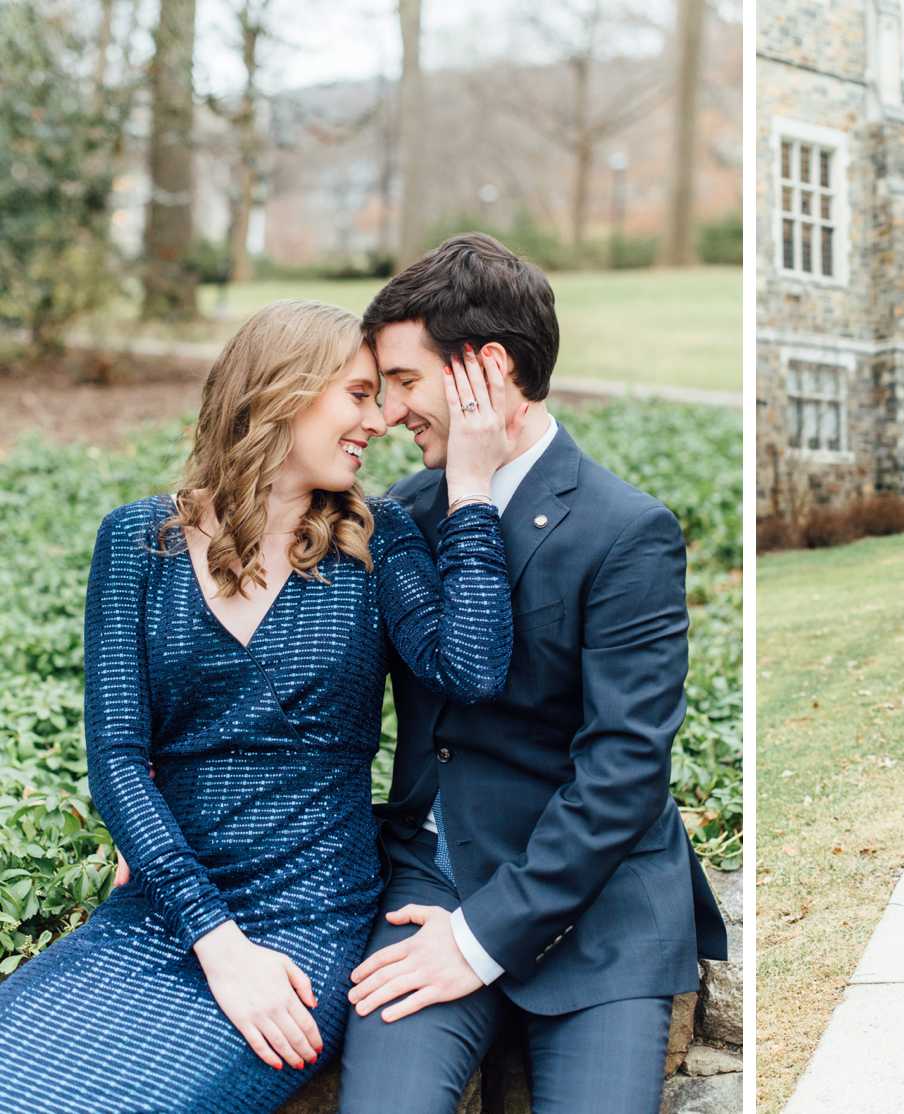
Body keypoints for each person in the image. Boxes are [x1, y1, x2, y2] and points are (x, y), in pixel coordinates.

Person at [0, 299, 518, 1112]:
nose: (379, 419)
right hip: (164, 916)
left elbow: (473, 668)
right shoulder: (138, 543)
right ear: (284, 392)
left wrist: (473, 490)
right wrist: (214, 939)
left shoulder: (376, 540)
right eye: (357, 394)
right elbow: (117, 761)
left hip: (304, 923)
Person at [335, 233, 728, 1114]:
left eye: (404, 381)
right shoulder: (402, 516)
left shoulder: (627, 531)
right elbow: (322, 687)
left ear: (487, 370)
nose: (391, 413)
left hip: (599, 906)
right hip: (432, 877)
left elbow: (624, 771)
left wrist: (478, 941)